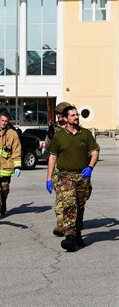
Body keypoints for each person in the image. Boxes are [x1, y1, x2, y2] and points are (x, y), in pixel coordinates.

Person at [46, 106, 99, 252]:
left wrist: (90, 167)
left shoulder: (86, 134)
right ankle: (69, 236)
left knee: (80, 206)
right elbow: (52, 157)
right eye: (73, 115)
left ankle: (77, 234)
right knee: (69, 205)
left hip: (83, 176)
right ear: (66, 118)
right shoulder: (59, 136)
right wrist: (49, 178)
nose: (76, 117)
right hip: (65, 176)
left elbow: (94, 152)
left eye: (77, 114)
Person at [45, 102, 71, 237]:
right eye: (57, 115)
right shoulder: (53, 129)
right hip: (57, 169)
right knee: (60, 197)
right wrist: (49, 136)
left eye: (60, 114)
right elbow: (48, 150)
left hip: (73, 168)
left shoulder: (74, 127)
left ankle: (73, 222)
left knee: (74, 199)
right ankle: (61, 224)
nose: (58, 117)